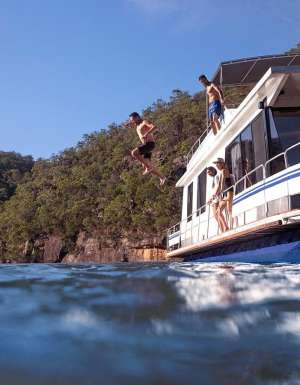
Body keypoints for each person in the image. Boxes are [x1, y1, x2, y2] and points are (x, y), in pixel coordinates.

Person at [129, 112, 166, 186]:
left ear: (137, 117)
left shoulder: (144, 122)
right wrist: (128, 124)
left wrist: (146, 134)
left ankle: (148, 167)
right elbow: (131, 123)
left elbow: (154, 126)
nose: (132, 121)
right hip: (145, 145)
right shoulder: (137, 125)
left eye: (133, 119)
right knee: (146, 165)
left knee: (134, 153)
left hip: (149, 144)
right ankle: (162, 177)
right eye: (131, 120)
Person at [213, 158, 234, 232]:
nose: (216, 165)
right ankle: (226, 227)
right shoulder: (222, 171)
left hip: (229, 192)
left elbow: (222, 183)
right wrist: (215, 194)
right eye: (216, 164)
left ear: (222, 163)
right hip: (226, 193)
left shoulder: (224, 170)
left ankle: (227, 226)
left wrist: (219, 193)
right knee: (219, 211)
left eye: (218, 163)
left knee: (227, 210)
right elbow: (219, 185)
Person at [207, 166, 222, 231]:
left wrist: (213, 197)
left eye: (209, 172)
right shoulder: (213, 178)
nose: (208, 173)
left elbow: (218, 186)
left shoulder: (216, 177)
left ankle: (223, 228)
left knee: (216, 214)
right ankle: (222, 228)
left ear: (213, 170)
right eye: (207, 172)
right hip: (213, 199)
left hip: (215, 198)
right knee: (215, 215)